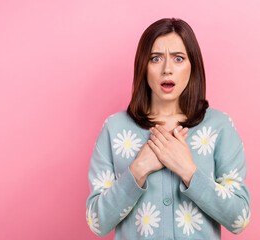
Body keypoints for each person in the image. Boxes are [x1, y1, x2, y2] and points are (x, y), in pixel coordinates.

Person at [86, 17, 251, 239]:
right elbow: (98, 223)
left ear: (192, 66)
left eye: (178, 58)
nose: (167, 69)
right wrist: (137, 170)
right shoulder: (114, 128)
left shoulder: (219, 127)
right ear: (143, 66)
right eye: (155, 58)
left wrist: (188, 170)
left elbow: (238, 219)